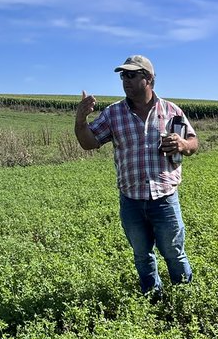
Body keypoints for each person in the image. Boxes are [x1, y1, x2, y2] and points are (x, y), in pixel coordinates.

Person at [74, 55, 198, 299]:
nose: (125, 81)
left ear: (149, 79)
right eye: (123, 76)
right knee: (142, 255)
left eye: (132, 75)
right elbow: (88, 143)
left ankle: (186, 301)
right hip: (131, 200)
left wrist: (182, 144)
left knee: (174, 252)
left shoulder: (171, 111)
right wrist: (80, 120)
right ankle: (153, 300)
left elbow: (194, 142)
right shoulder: (113, 114)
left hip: (165, 198)